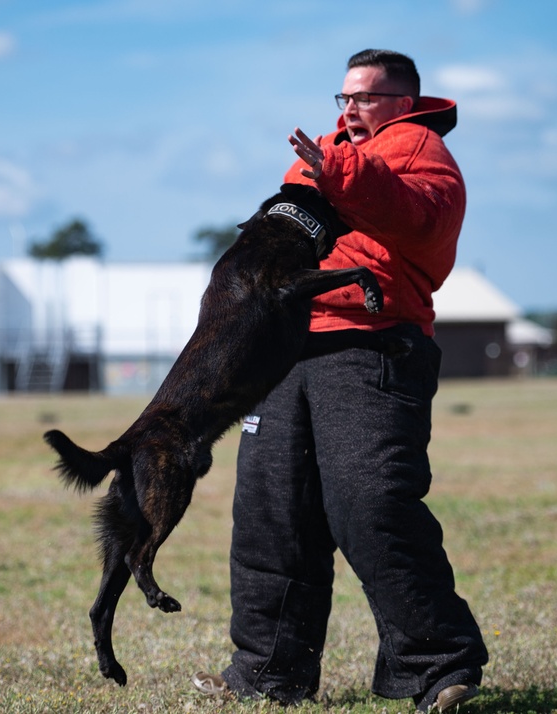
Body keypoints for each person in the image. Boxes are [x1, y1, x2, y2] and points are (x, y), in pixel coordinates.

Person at [192, 49, 489, 712]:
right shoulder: (318, 154)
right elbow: (281, 234)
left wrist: (342, 174)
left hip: (372, 345)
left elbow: (421, 219)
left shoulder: (419, 149)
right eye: (343, 98)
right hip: (285, 347)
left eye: (366, 98)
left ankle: (440, 668)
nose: (350, 109)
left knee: (371, 503)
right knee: (272, 515)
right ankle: (269, 673)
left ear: (405, 102)